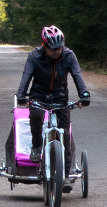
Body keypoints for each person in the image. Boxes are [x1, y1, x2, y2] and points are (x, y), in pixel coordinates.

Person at [16, 26, 90, 173]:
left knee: (65, 132)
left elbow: (77, 75)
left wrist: (84, 94)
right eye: (54, 49)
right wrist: (21, 95)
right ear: (45, 46)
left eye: (60, 47)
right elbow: (26, 77)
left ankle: (66, 174)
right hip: (39, 96)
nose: (58, 51)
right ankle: (36, 146)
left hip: (60, 97)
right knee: (36, 115)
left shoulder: (69, 55)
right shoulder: (35, 56)